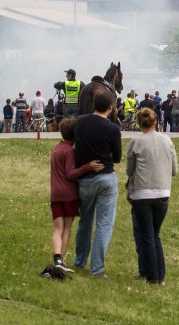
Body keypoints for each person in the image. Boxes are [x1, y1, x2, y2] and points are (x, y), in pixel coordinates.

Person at [126, 107, 178, 284]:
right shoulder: (167, 140)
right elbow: (174, 170)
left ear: (139, 124)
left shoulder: (136, 142)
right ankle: (160, 275)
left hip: (142, 193)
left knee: (147, 234)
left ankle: (153, 277)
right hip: (163, 192)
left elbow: (129, 170)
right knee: (155, 234)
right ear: (156, 122)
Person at [73, 89, 122, 276]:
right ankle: (97, 269)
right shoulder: (112, 128)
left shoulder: (81, 122)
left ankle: (79, 262)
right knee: (104, 224)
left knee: (85, 221)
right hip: (106, 177)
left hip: (85, 178)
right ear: (111, 107)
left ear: (93, 104)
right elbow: (117, 157)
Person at [49, 117, 104, 273]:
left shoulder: (57, 149)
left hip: (55, 194)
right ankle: (61, 261)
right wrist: (88, 166)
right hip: (69, 195)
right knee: (67, 228)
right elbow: (71, 174)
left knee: (57, 228)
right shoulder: (69, 151)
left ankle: (57, 258)